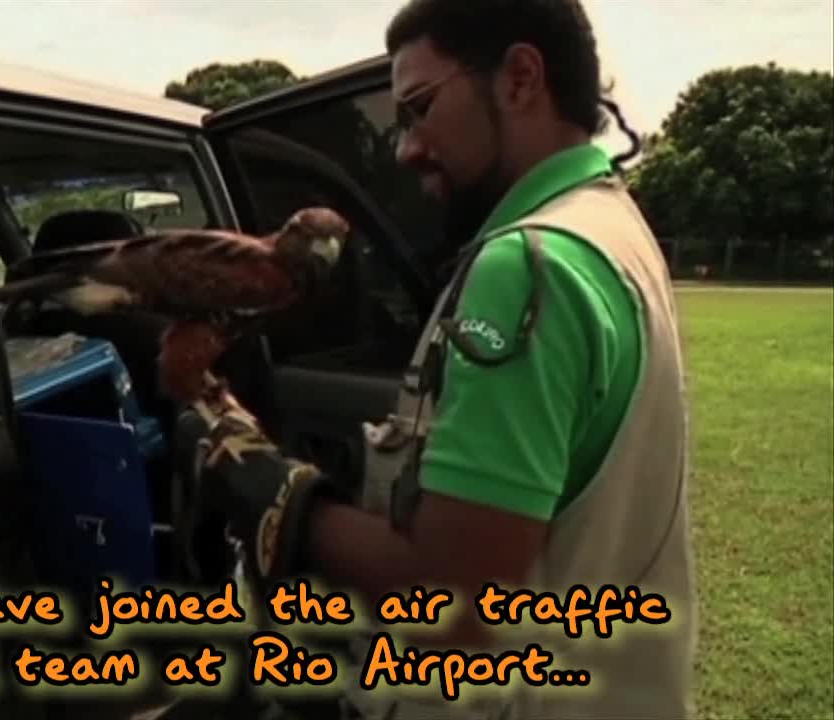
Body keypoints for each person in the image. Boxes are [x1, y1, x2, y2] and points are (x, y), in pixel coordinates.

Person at [172, 1, 697, 718]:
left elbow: (453, 613)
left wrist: (274, 489)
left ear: (519, 78)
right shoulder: (609, 227)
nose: (405, 149)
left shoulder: (525, 267)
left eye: (418, 108)